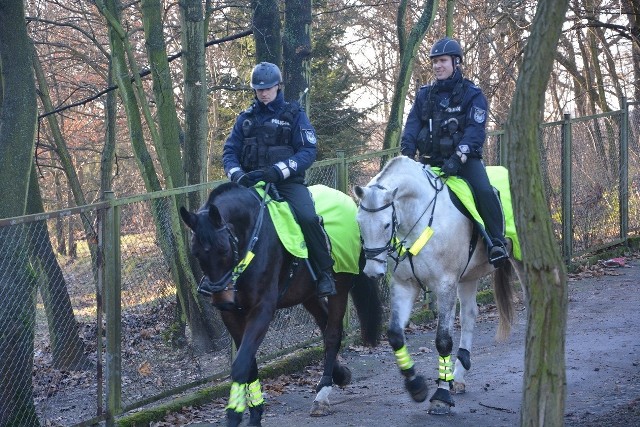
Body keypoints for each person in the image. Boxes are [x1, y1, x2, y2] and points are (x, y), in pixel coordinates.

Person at [222, 62, 336, 297]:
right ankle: (224, 279)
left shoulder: (294, 115)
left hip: (286, 183)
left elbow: (307, 151)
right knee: (223, 220)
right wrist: (237, 175)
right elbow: (230, 152)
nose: (263, 93)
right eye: (259, 88)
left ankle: (324, 272)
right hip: (251, 184)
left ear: (278, 86)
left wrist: (280, 170)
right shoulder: (245, 119)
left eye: (268, 88)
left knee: (307, 216)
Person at [400, 37, 508, 267]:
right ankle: (402, 250)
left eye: (443, 61)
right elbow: (412, 125)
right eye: (434, 62)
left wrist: (458, 157)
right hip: (429, 162)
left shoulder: (472, 94)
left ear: (455, 62)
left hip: (464, 161)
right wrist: (407, 152)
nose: (438, 66)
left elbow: (475, 131)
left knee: (484, 191)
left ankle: (496, 243)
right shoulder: (424, 95)